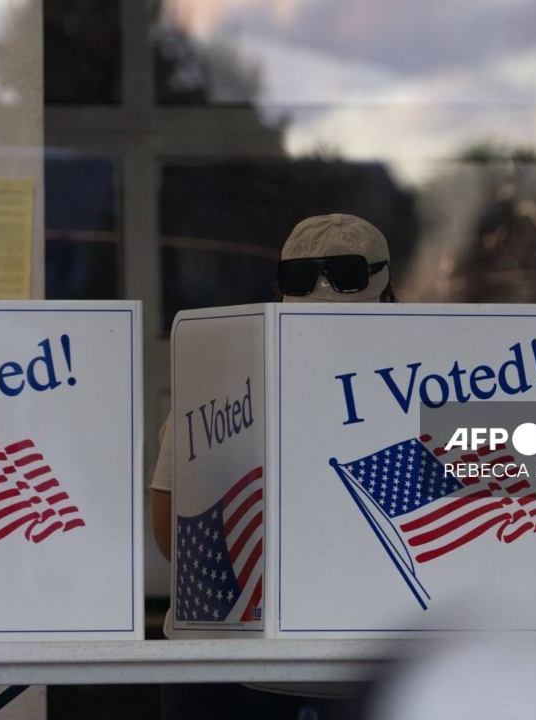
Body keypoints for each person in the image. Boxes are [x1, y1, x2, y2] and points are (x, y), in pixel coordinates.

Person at [152, 214, 392, 720]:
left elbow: (168, 531)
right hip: (339, 669)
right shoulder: (433, 379)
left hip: (225, 663)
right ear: (386, 291)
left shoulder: (219, 377)